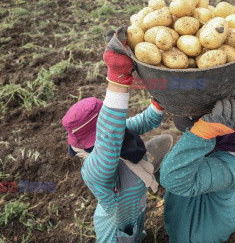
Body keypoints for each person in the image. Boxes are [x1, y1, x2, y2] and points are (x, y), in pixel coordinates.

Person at [62, 27, 173, 243]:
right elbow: (110, 136)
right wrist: (117, 78)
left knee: (138, 232)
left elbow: (144, 120)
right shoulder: (95, 171)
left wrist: (160, 101)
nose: (116, 128)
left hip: (137, 211)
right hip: (115, 230)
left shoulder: (119, 134)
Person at [160, 95, 235, 243]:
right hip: (189, 219)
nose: (189, 133)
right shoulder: (230, 140)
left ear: (214, 129)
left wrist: (202, 132)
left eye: (194, 129)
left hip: (199, 234)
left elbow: (172, 179)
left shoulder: (233, 168)